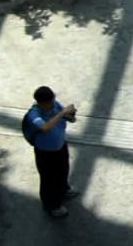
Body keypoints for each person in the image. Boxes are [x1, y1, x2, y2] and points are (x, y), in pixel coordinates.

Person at [21, 85, 80, 217]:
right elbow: (45, 127)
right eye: (50, 103)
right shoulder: (33, 115)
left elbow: (66, 118)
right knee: (49, 180)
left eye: (53, 100)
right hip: (46, 154)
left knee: (63, 170)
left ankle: (64, 189)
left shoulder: (55, 105)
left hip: (60, 147)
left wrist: (70, 115)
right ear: (41, 103)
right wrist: (62, 113)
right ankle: (52, 205)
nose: (53, 104)